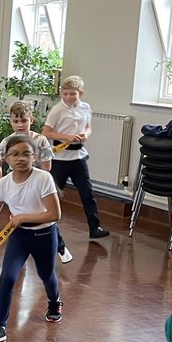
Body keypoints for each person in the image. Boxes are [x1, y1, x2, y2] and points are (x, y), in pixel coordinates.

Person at [0, 135, 63, 342]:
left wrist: (24, 217)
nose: (20, 159)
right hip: (18, 236)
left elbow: (54, 214)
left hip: (44, 235)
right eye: (15, 154)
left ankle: (54, 302)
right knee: (7, 277)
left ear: (34, 157)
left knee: (46, 274)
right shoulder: (3, 184)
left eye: (26, 154)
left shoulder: (43, 178)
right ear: (6, 158)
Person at [0, 100, 72, 263]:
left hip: (38, 188)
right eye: (16, 121)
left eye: (24, 120)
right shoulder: (6, 142)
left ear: (31, 121)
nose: (20, 125)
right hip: (15, 187)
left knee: (43, 219)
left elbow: (47, 167)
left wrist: (36, 183)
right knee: (17, 218)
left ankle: (60, 246)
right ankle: (18, 252)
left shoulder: (41, 141)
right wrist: (2, 186)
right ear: (10, 121)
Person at [42, 76, 109, 239]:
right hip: (59, 158)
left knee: (87, 193)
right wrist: (66, 137)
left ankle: (95, 227)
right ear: (61, 94)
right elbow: (46, 132)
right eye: (65, 94)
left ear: (80, 93)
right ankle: (43, 227)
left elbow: (88, 127)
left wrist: (85, 134)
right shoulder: (57, 110)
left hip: (78, 157)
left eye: (72, 94)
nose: (68, 97)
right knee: (53, 194)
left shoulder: (86, 108)